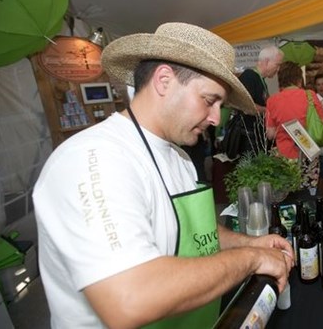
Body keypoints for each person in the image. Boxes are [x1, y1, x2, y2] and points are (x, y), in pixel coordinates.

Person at [32, 23, 293, 328]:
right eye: (209, 101)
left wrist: (248, 244)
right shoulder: (92, 159)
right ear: (164, 80)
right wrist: (252, 260)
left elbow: (197, 233)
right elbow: (130, 299)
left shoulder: (179, 156)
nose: (214, 118)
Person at [265, 61, 323, 190]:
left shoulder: (272, 101)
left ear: (280, 80)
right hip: (308, 153)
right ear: (299, 79)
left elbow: (270, 134)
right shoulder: (310, 95)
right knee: (308, 193)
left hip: (283, 156)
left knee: (286, 194)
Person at [235, 46, 284, 156]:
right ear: (267, 61)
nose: (278, 69)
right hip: (248, 140)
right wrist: (268, 111)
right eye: (277, 64)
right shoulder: (249, 76)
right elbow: (247, 107)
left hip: (256, 138)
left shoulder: (261, 80)